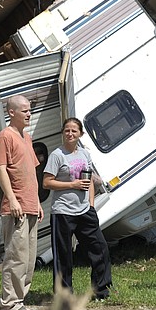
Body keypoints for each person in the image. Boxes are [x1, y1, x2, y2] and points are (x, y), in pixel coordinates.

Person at [43, 117, 112, 300]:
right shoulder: (57, 155)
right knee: (64, 255)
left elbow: (88, 181)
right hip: (62, 211)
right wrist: (72, 185)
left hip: (84, 210)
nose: (70, 134)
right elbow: (47, 182)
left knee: (100, 248)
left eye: (74, 131)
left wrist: (91, 205)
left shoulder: (84, 154)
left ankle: (101, 290)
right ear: (63, 133)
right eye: (67, 130)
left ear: (80, 134)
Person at [0, 95, 42, 310]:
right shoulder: (5, 137)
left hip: (31, 205)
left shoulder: (27, 137)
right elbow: (1, 169)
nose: (29, 114)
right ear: (11, 112)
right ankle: (9, 302)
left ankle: (19, 299)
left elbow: (31, 171)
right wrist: (12, 198)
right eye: (24, 110)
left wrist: (38, 202)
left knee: (29, 258)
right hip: (17, 206)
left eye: (30, 110)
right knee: (16, 256)